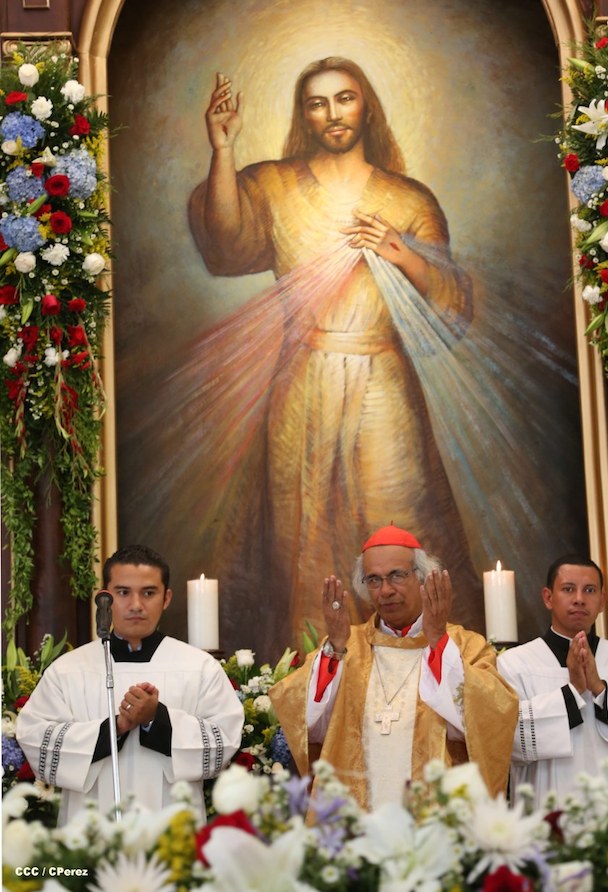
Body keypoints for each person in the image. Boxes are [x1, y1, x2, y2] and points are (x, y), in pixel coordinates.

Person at [187, 57, 482, 654]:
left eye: (344, 98)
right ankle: (313, 672)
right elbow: (225, 245)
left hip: (384, 381)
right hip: (302, 381)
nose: (333, 113)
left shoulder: (407, 198)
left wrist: (403, 254)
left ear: (365, 105)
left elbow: (453, 304)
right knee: (302, 536)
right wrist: (223, 149)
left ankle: (417, 666)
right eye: (317, 103)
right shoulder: (273, 184)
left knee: (399, 518)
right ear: (305, 115)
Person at [268, 524, 518, 810]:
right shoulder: (344, 645)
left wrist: (438, 643)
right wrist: (334, 649)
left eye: (397, 575)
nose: (385, 590)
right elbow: (305, 720)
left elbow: (492, 717)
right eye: (373, 580)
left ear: (423, 578)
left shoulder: (464, 645)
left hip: (433, 812)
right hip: (356, 811)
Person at [15, 544, 244, 825]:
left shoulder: (200, 667)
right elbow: (36, 740)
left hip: (172, 831)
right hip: (89, 830)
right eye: (123, 592)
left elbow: (223, 741)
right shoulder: (68, 670)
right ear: (105, 598)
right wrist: (116, 727)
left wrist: (156, 719)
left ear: (166, 598)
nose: (136, 605)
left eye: (148, 593)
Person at [496, 555, 608, 809]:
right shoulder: (515, 664)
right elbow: (504, 736)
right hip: (546, 815)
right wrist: (572, 693)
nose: (579, 598)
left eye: (589, 590)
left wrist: (601, 691)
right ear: (548, 597)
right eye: (568, 589)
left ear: (602, 601)